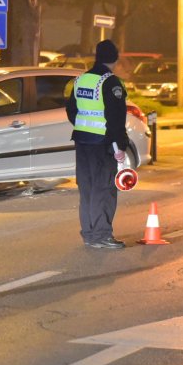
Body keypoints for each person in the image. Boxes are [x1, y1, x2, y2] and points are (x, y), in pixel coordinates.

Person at [65, 39, 129, 250]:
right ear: (115, 58)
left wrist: (84, 127)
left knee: (87, 188)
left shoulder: (80, 80)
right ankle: (102, 235)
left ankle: (90, 234)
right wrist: (119, 147)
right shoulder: (111, 83)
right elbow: (116, 118)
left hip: (82, 142)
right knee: (104, 189)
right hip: (103, 144)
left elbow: (72, 111)